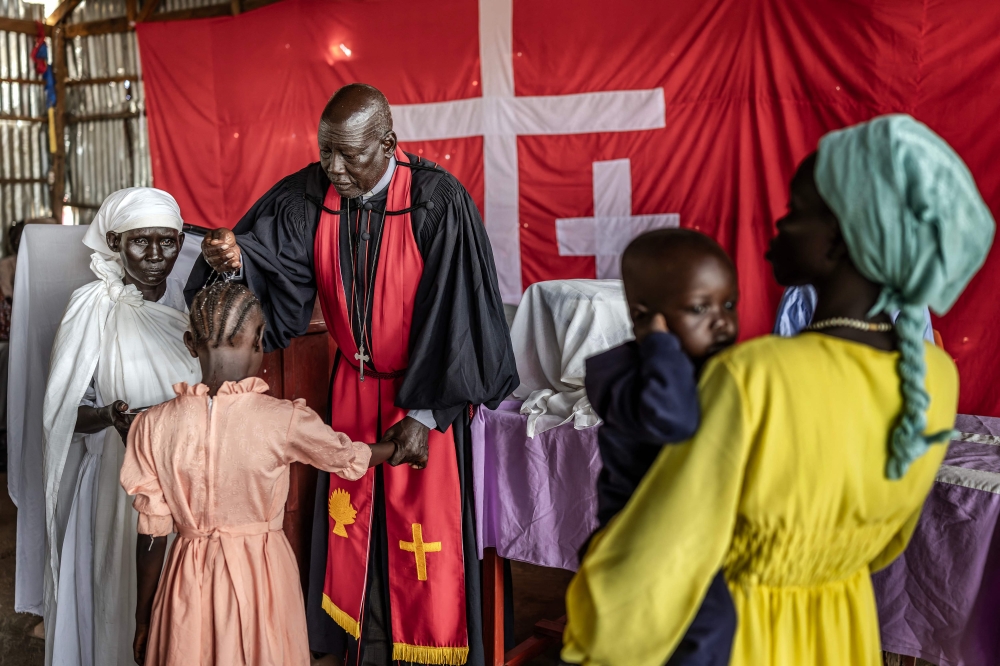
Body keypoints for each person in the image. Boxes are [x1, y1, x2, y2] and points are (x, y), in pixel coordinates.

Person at [561, 114, 994, 666]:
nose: (779, 224)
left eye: (797, 211)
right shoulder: (934, 376)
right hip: (841, 629)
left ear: (839, 241)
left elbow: (663, 555)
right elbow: (888, 542)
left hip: (744, 638)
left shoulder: (756, 377)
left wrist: (593, 613)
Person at [187, 83, 518, 665]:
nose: (334, 169)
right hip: (352, 392)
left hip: (424, 395)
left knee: (424, 542)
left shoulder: (437, 202)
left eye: (349, 155)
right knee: (355, 529)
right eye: (325, 153)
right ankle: (368, 647)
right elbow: (268, 265)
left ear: (388, 143)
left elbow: (462, 317)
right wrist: (235, 260)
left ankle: (430, 649)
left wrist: (424, 415)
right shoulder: (309, 196)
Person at [122, 282, 398, 666]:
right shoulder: (282, 420)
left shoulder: (151, 425)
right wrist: (397, 448)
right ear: (259, 343)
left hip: (186, 577)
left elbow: (152, 536)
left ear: (190, 343)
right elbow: (346, 456)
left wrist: (143, 616)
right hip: (261, 575)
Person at [41, 188, 200, 666]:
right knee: (120, 591)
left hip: (188, 479)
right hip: (119, 480)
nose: (155, 256)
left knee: (183, 594)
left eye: (167, 242)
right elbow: (64, 413)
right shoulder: (91, 307)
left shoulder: (192, 311)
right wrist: (109, 416)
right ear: (114, 241)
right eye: (140, 242)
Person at [582, 229, 739, 665]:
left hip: (694, 540)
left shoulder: (706, 367)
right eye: (700, 308)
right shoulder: (622, 376)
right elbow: (675, 419)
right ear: (646, 317)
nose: (723, 322)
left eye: (729, 305)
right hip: (644, 546)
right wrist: (658, 343)